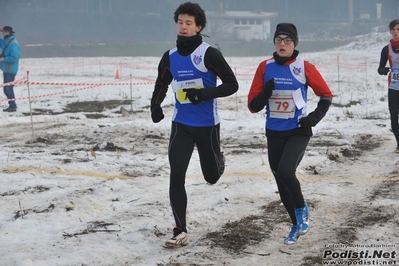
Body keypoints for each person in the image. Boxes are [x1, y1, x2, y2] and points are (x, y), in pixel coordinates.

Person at [150, 2, 238, 248]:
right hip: (182, 125)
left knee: (211, 177)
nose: (184, 27)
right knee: (176, 175)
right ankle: (180, 229)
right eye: (180, 22)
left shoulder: (209, 54)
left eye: (189, 23)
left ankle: (219, 160)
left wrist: (205, 94)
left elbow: (232, 84)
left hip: (208, 125)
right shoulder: (170, 56)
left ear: (199, 27)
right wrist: (155, 106)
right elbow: (161, 83)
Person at [247, 23, 333, 244]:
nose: (282, 44)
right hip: (273, 132)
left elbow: (326, 95)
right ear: (274, 43)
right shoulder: (264, 67)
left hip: (298, 131)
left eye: (287, 40)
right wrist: (266, 92)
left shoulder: (304, 67)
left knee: (286, 171)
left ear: (295, 43)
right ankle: (295, 224)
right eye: (278, 40)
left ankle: (302, 208)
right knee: (280, 179)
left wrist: (313, 118)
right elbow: (253, 106)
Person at [378, 19, 399, 153]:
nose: (396, 32)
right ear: (390, 31)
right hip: (394, 87)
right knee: (393, 116)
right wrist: (384, 70)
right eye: (393, 30)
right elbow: (380, 69)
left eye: (398, 29)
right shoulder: (386, 49)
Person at [0, 26, 20, 112]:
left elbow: (15, 57)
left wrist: (4, 59)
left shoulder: (13, 43)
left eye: (3, 31)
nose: (2, 33)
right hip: (6, 69)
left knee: (8, 89)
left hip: (10, 70)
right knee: (6, 89)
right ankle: (12, 105)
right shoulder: (7, 41)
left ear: (7, 32)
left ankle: (12, 106)